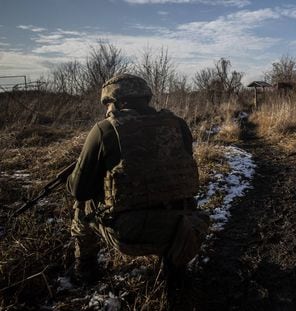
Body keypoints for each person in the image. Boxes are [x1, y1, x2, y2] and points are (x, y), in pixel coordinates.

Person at [66, 73, 209, 304]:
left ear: (115, 102)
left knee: (82, 206)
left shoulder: (104, 130)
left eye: (107, 103)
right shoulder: (178, 124)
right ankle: (176, 269)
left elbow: (79, 190)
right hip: (185, 227)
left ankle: (85, 270)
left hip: (132, 233)